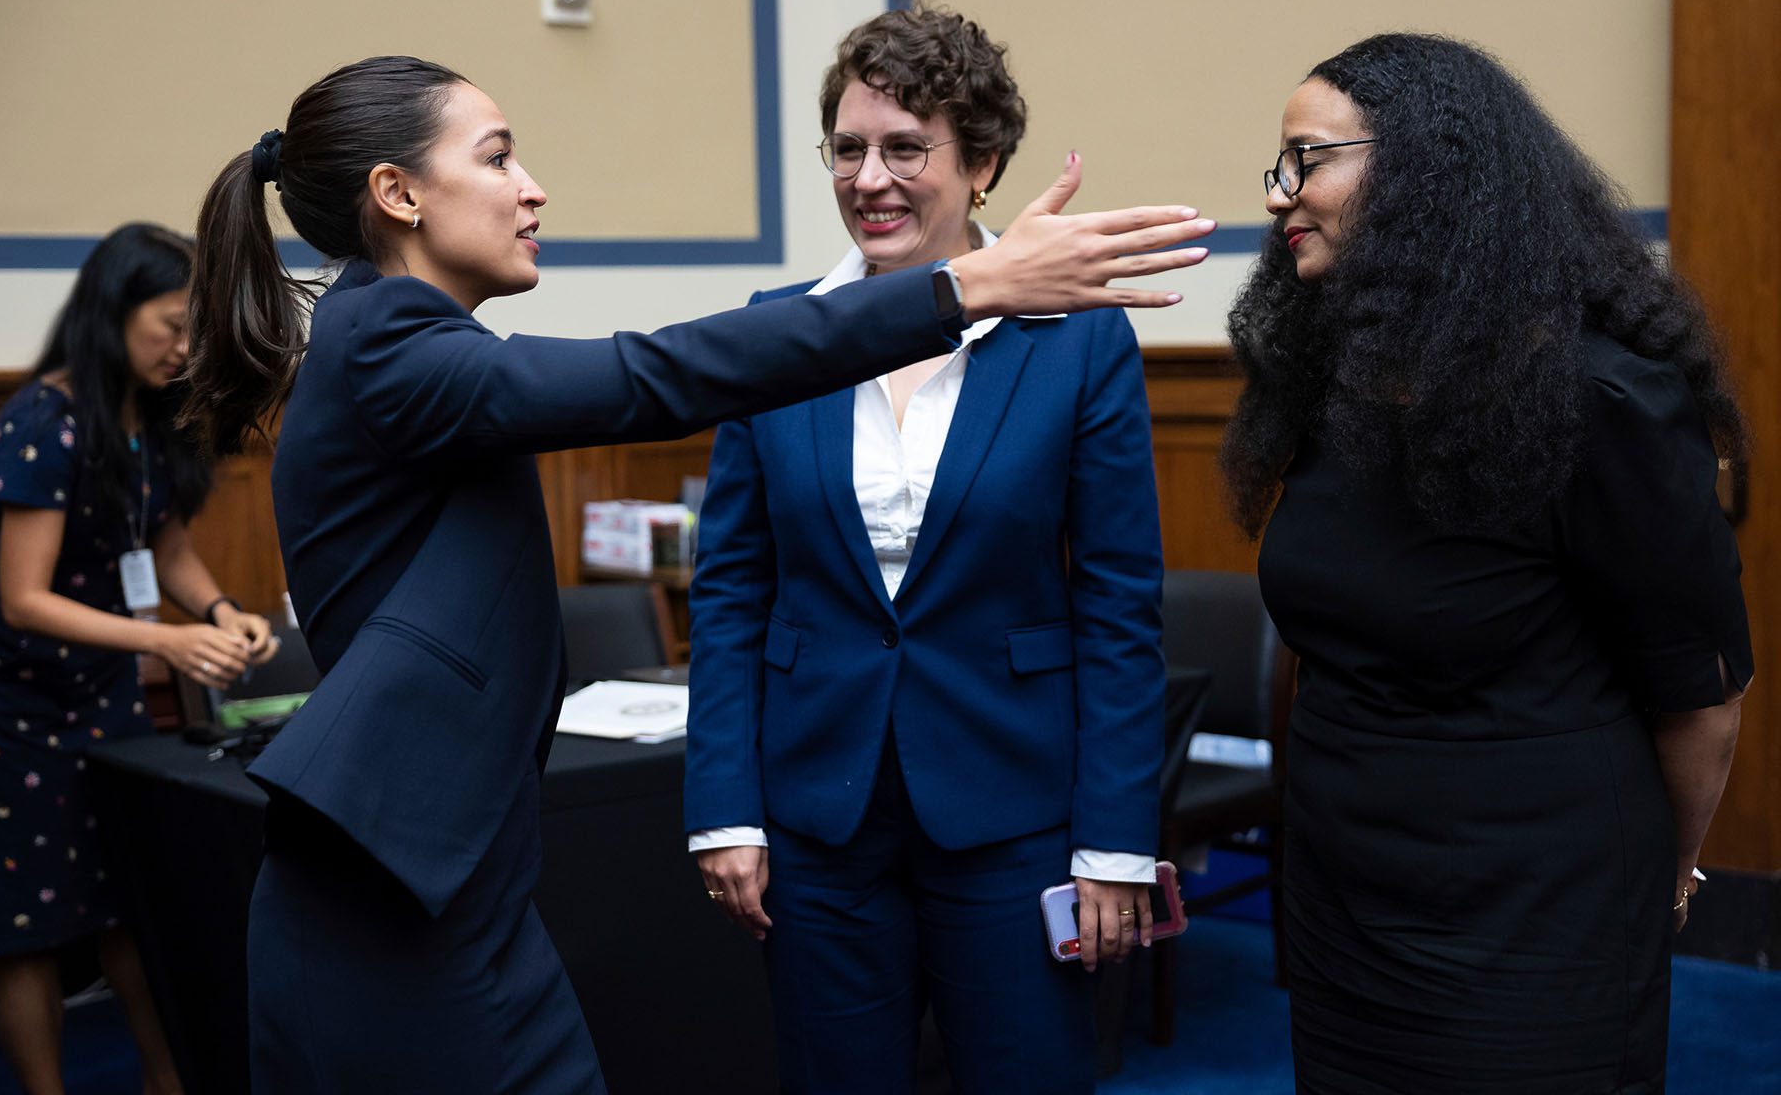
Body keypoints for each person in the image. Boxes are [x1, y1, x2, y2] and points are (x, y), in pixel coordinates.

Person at [179, 53, 1211, 1094]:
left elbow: (1116, 599)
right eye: (498, 157)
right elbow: (654, 383)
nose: (532, 186)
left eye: (906, 149)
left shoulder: (386, 336)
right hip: (397, 878)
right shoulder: (389, 351)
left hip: (441, 867)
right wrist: (967, 288)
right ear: (397, 194)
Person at [1221, 32, 1752, 1093]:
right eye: (1279, 168)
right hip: (1343, 898)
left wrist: (1667, 866)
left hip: (1535, 913)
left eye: (1307, 160)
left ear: (1427, 171)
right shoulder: (1341, 386)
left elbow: (1701, 695)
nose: (1282, 196)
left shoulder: (1601, 401)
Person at [683, 4, 1170, 1094]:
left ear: (983, 165)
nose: (871, 180)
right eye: (848, 149)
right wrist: (724, 806)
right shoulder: (777, 332)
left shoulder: (1079, 338)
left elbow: (1119, 604)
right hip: (818, 814)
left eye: (907, 149)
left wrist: (1114, 845)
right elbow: (729, 596)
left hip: (1014, 810)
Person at [0, 223, 281, 1095]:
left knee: (131, 903)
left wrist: (225, 612)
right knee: (26, 923)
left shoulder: (151, 420)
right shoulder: (42, 421)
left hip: (104, 696)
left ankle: (167, 1080)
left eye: (195, 329)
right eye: (169, 326)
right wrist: (168, 640)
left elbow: (168, 550)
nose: (185, 349)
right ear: (110, 315)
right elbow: (22, 598)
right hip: (18, 708)